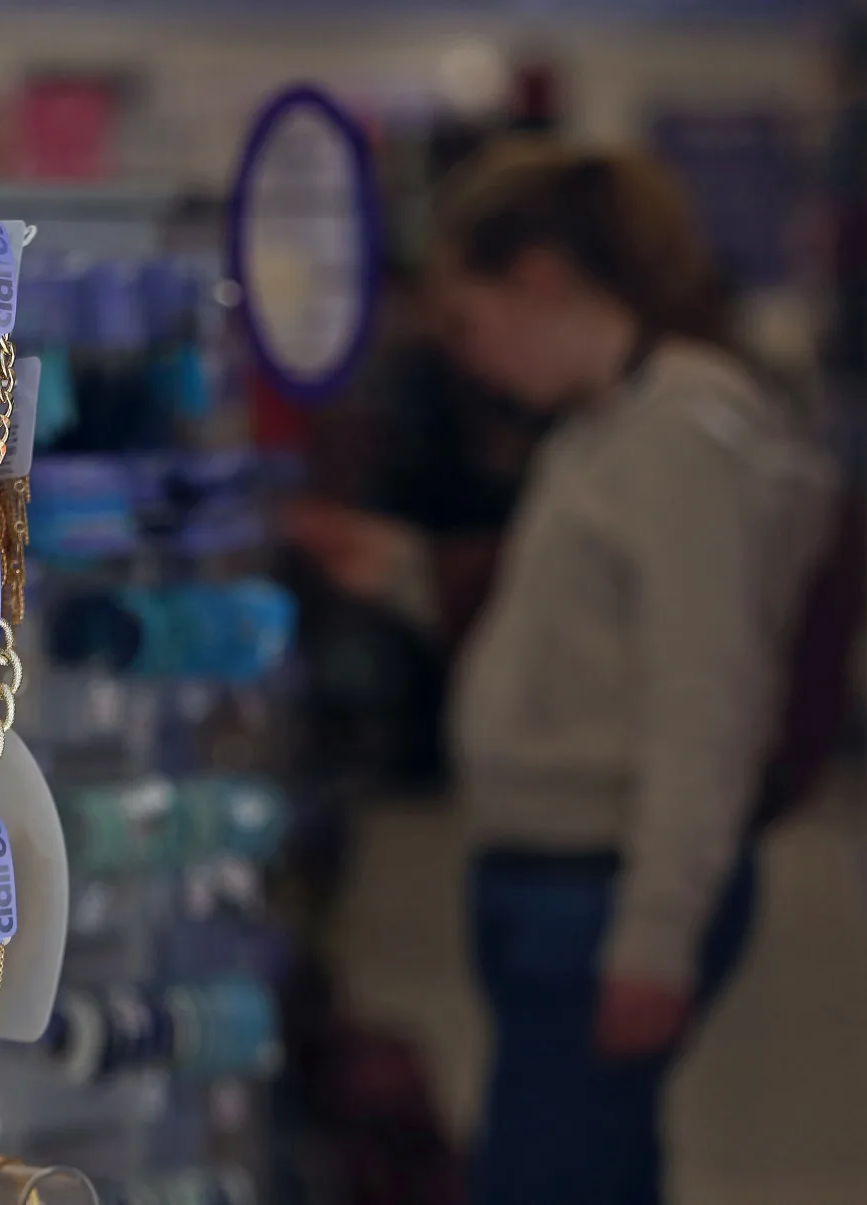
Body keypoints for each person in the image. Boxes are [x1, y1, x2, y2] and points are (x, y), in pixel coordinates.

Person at [287, 139, 837, 1205]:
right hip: (557, 881)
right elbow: (578, 625)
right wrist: (399, 566)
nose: (465, 356)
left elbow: (705, 707)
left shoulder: (682, 438)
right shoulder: (605, 425)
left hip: (602, 892)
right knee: (599, 1162)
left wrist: (656, 939)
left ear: (540, 278)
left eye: (468, 320)